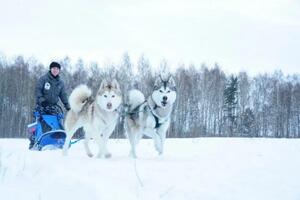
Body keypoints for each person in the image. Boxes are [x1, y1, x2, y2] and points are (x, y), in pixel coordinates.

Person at [28, 61, 70, 149]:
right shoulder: (43, 79)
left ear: (59, 71)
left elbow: (63, 95)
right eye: (54, 68)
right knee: (38, 122)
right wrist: (42, 101)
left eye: (57, 69)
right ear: (50, 69)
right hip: (41, 105)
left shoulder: (60, 83)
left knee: (57, 121)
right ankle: (34, 141)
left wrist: (67, 105)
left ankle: (59, 140)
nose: (55, 70)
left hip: (53, 107)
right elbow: (37, 91)